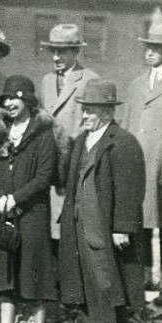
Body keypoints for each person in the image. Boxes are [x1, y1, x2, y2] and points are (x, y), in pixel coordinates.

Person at [60, 80, 145, 323]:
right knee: (86, 289)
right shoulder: (82, 141)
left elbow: (130, 190)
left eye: (91, 110)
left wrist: (122, 227)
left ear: (108, 112)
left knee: (111, 290)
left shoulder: (123, 142)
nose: (85, 115)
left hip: (106, 231)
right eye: (84, 109)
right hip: (80, 227)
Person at [0, 76, 59, 323]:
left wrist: (15, 199)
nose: (10, 104)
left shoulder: (43, 135)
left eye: (15, 98)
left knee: (35, 276)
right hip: (2, 212)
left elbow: (44, 177)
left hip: (32, 215)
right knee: (4, 276)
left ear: (28, 101)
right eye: (5, 100)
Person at [39, 23, 99, 242]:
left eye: (62, 51)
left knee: (70, 227)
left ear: (76, 52)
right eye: (53, 51)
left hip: (74, 162)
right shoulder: (46, 81)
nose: (56, 57)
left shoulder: (89, 79)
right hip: (49, 164)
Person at [122, 19, 162, 304]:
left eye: (157, 47)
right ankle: (139, 281)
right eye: (148, 46)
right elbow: (127, 123)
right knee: (138, 222)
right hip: (138, 164)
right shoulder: (137, 84)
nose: (150, 52)